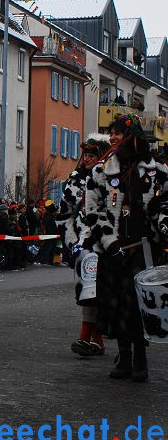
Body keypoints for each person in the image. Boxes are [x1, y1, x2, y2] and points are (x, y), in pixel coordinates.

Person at [78, 114, 168, 382]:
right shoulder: (100, 171)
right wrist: (110, 243)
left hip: (144, 248)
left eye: (118, 133)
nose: (113, 137)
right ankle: (124, 357)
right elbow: (93, 210)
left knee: (139, 306)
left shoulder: (157, 171)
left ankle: (140, 359)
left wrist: (162, 220)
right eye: (111, 132)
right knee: (116, 305)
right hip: (115, 249)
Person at [58, 133, 111, 357]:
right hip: (83, 244)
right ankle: (92, 339)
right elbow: (65, 214)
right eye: (86, 155)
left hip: (106, 243)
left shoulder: (110, 178)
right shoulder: (75, 179)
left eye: (92, 155)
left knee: (102, 292)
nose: (88, 159)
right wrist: (71, 242)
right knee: (87, 290)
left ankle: (92, 337)